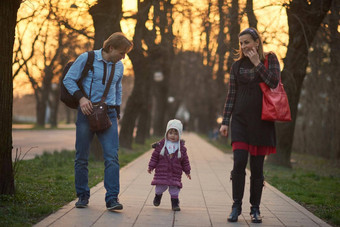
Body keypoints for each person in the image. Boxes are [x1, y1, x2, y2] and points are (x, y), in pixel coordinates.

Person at [63, 32, 133, 211]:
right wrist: (81, 98)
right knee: (81, 157)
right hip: (86, 112)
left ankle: (112, 199)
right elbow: (68, 79)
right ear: (111, 48)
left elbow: (118, 88)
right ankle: (82, 196)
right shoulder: (87, 58)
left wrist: (117, 111)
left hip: (108, 114)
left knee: (112, 156)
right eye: (122, 53)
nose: (123, 57)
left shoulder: (119, 66)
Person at [219, 27, 280, 223]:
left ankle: (255, 209)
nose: (244, 46)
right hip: (239, 121)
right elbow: (231, 95)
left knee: (257, 167)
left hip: (262, 122)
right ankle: (236, 205)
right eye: (241, 43)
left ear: (256, 42)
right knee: (238, 162)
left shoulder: (270, 60)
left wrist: (257, 63)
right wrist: (225, 121)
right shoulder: (236, 66)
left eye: (247, 42)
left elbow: (274, 83)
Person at [148, 119, 191, 211]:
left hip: (175, 172)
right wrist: (151, 166)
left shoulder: (181, 148)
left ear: (179, 135)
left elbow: (185, 161)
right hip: (161, 171)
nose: (173, 136)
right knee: (160, 187)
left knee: (174, 189)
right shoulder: (161, 146)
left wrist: (187, 171)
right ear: (166, 133)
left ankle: (175, 204)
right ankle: (158, 196)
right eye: (170, 133)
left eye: (176, 134)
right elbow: (154, 157)